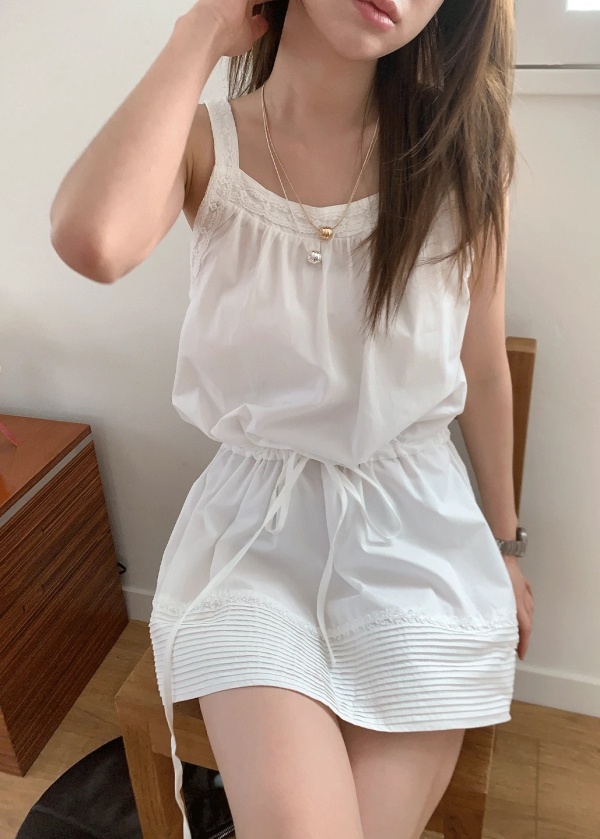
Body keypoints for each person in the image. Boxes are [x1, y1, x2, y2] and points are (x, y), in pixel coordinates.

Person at [50, 1, 535, 837]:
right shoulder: (208, 146)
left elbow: (484, 368)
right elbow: (94, 239)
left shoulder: (462, 158)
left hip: (420, 537)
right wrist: (200, 33)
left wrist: (505, 545)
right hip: (254, 542)